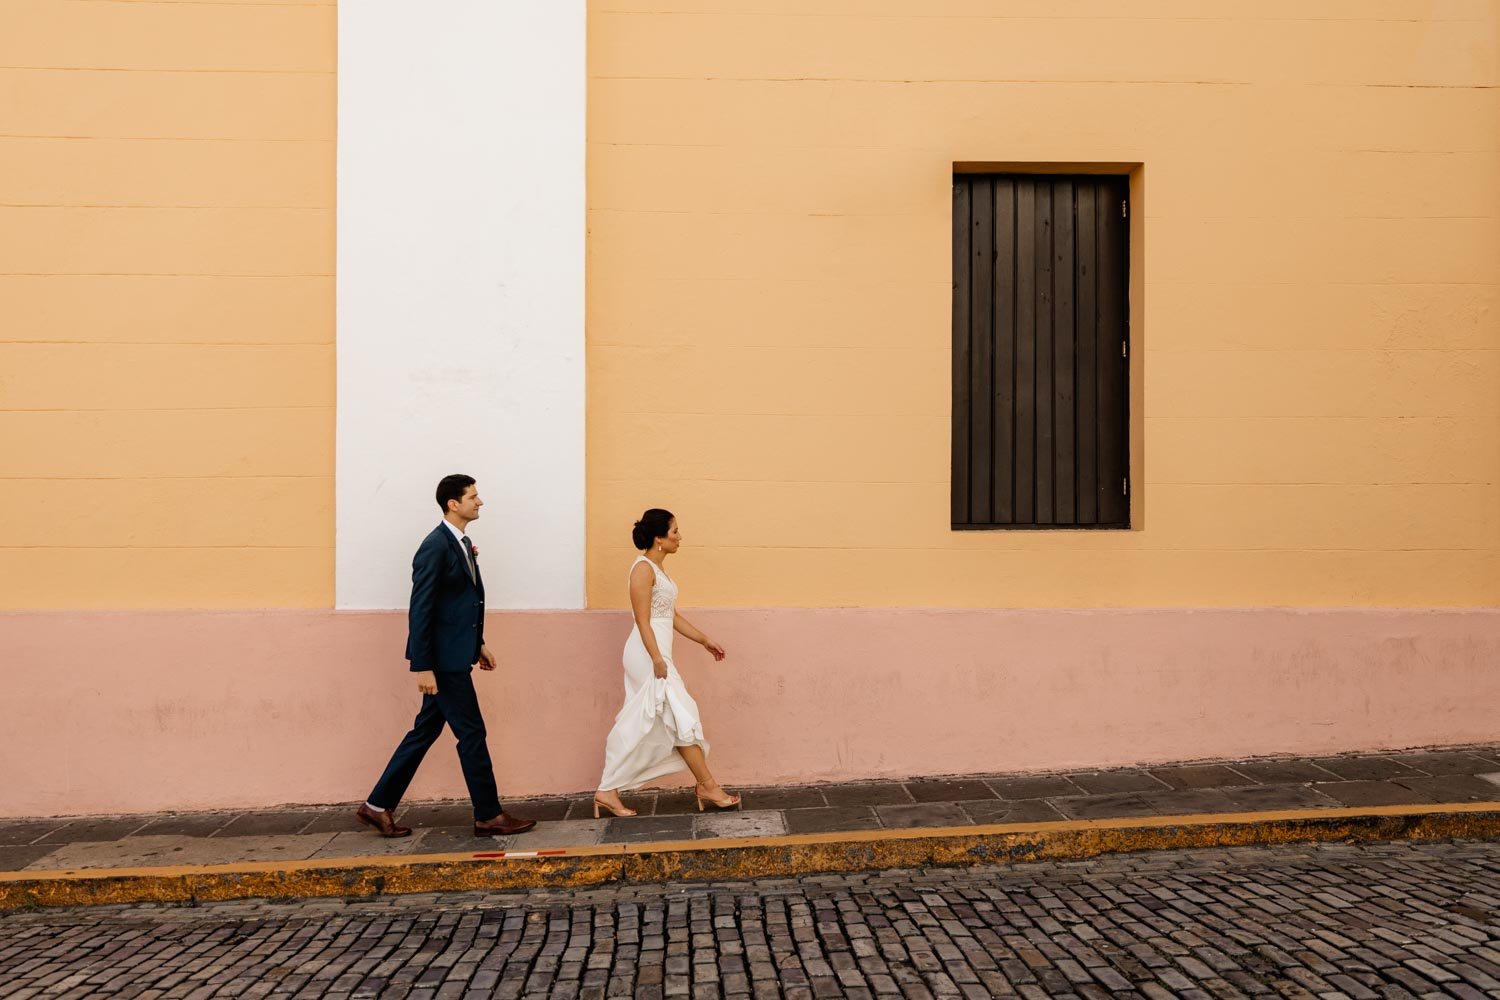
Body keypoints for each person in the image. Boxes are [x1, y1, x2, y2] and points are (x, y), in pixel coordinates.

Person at [356, 475, 536, 839]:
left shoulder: (461, 543)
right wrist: (422, 665)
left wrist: (478, 644)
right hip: (443, 663)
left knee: (424, 731)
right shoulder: (435, 546)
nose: (479, 501)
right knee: (472, 733)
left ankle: (377, 806)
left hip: (454, 655)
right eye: (473, 496)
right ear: (453, 504)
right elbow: (421, 609)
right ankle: (488, 815)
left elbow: (457, 605)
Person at [593, 508, 740, 818]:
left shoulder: (659, 571)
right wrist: (657, 659)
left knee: (670, 719)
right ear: (659, 538)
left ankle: (609, 790)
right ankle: (707, 785)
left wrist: (704, 640)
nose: (679, 537)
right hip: (647, 654)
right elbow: (643, 621)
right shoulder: (643, 569)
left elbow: (671, 617)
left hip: (658, 653)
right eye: (675, 531)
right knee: (675, 715)